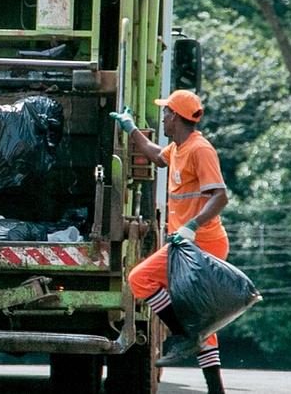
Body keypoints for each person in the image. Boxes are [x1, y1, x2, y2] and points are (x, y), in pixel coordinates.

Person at [111, 89, 230, 394]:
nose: (162, 117)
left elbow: (220, 196)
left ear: (176, 116)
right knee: (201, 319)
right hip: (186, 245)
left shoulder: (200, 150)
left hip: (200, 244)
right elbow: (154, 154)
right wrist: (130, 127)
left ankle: (182, 334)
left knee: (139, 279)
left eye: (165, 112)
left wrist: (191, 226)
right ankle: (214, 386)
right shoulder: (178, 148)